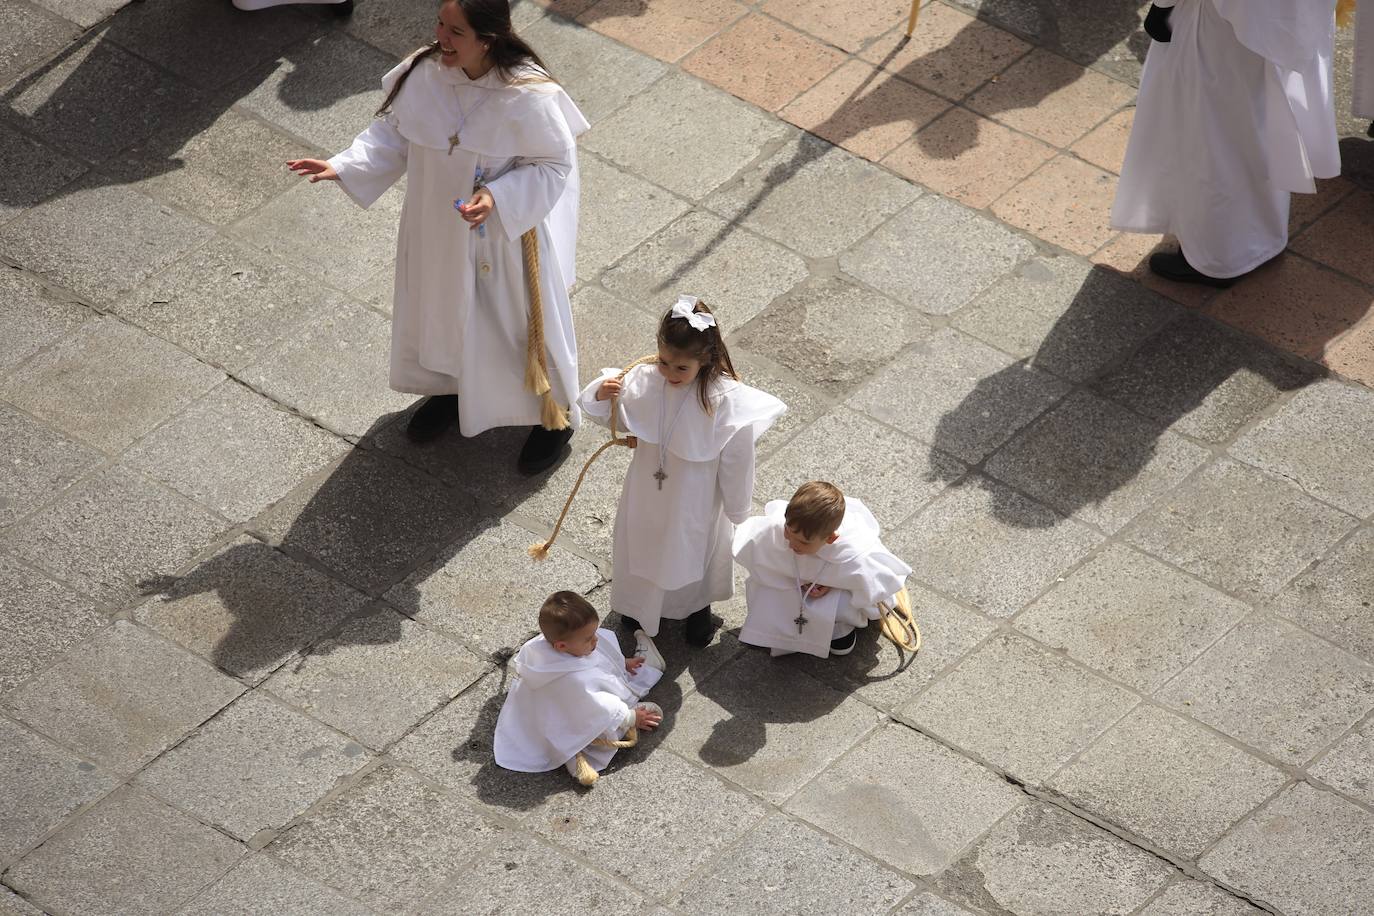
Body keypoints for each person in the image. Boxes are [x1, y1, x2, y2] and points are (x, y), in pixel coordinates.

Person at [287, 0, 589, 473]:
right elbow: (394, 134)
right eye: (441, 25)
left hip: (500, 239)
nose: (442, 39)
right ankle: (451, 391)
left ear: (487, 39)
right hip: (435, 227)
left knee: (516, 325)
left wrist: (497, 196)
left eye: (456, 32)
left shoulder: (528, 94)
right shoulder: (426, 72)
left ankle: (553, 417)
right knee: (441, 312)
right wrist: (343, 164)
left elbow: (553, 163)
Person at [577, 297, 786, 647]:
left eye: (680, 368)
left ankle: (695, 608)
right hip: (646, 486)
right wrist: (602, 394)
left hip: (696, 496)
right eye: (664, 362)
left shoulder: (724, 400)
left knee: (693, 548)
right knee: (641, 540)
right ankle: (637, 604)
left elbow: (737, 458)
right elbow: (612, 415)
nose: (670, 374)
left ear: (704, 361)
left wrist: (737, 508)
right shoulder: (646, 380)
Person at [1112, 0, 1340, 287]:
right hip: (1276, 15)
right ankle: (1258, 236)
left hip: (1221, 19)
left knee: (1213, 132)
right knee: (1253, 117)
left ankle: (1221, 255)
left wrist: (1162, 4)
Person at [493, 591, 664, 785]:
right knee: (609, 716)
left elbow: (600, 656)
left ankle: (573, 750)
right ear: (561, 646)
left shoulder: (553, 648)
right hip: (577, 715)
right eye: (589, 638)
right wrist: (631, 717)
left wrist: (622, 662)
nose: (595, 640)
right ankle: (646, 675)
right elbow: (594, 705)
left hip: (556, 713)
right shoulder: (571, 680)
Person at [733, 481, 910, 659]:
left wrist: (834, 584)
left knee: (839, 604)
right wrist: (797, 580)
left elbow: (874, 589)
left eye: (803, 542)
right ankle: (774, 628)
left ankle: (839, 628)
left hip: (833, 597)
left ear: (831, 538)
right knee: (768, 588)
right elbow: (757, 554)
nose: (792, 544)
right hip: (791, 584)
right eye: (788, 532)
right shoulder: (778, 529)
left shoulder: (855, 554)